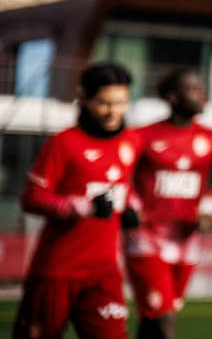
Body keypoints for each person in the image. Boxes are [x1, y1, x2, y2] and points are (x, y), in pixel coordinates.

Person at [13, 62, 141, 339]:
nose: (113, 111)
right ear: (84, 98)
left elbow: (121, 185)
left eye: (121, 102)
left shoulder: (131, 141)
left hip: (105, 272)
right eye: (104, 103)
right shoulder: (63, 143)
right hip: (57, 270)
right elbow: (31, 198)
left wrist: (130, 207)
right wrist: (81, 206)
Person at [123, 68, 212, 339]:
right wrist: (131, 207)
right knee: (163, 316)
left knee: (157, 316)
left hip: (186, 239)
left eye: (202, 89)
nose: (203, 95)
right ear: (172, 96)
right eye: (194, 89)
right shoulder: (141, 136)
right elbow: (120, 175)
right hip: (146, 237)